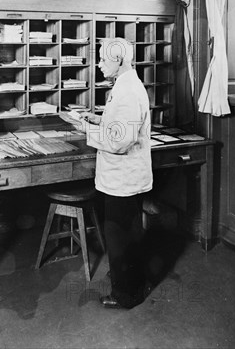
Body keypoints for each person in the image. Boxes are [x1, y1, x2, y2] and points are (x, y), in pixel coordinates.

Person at [63, 37, 152, 309]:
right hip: (126, 178)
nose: (99, 65)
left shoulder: (127, 91)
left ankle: (126, 295)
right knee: (129, 233)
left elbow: (119, 141)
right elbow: (122, 125)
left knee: (119, 235)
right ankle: (134, 282)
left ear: (120, 61)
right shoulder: (126, 86)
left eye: (103, 59)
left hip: (122, 179)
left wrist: (86, 130)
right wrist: (98, 119)